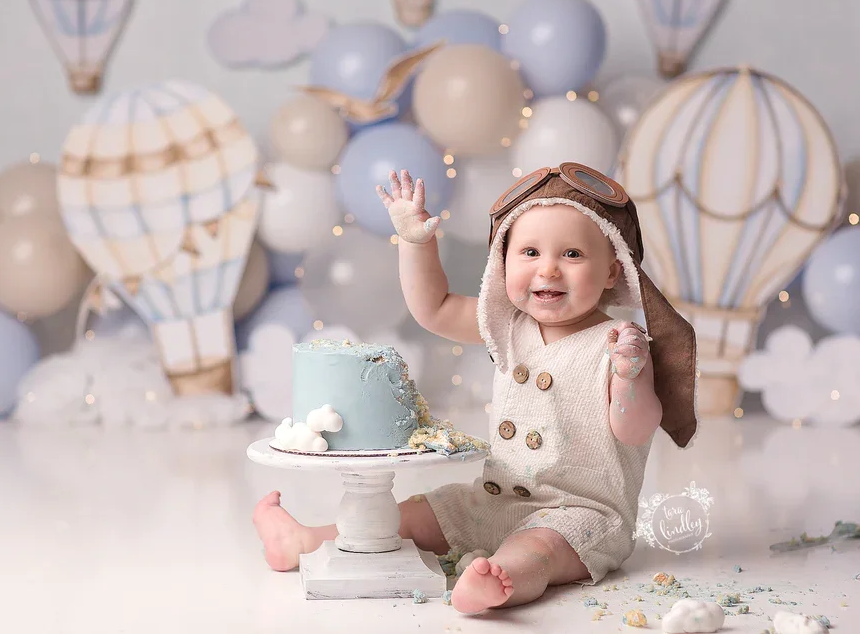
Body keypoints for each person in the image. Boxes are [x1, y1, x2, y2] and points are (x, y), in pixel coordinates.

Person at [253, 162, 698, 614]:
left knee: (537, 549)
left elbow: (636, 430)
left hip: (580, 514)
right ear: (503, 261)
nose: (548, 270)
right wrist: (415, 241)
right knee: (416, 514)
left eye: (572, 255)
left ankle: (499, 580)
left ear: (611, 271)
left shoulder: (621, 344)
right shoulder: (509, 326)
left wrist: (628, 377)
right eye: (529, 253)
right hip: (493, 499)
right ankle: (305, 540)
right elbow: (435, 307)